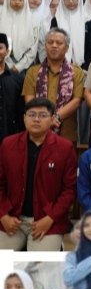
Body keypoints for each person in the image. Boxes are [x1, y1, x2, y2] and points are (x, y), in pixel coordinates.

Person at [0, 98, 77, 250]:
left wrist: (51, 218)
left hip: (47, 221)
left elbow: (70, 190)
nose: (36, 119)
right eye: (31, 115)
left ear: (52, 119)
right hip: (12, 219)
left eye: (42, 115)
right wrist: (3, 215)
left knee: (41, 263)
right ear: (24, 118)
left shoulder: (65, 148)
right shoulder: (8, 144)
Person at [21, 28, 84, 143]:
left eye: (59, 43)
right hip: (38, 131)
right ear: (45, 46)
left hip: (66, 133)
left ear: (66, 48)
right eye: (50, 42)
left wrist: (55, 118)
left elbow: (77, 101)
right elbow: (29, 101)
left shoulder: (76, 72)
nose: (54, 46)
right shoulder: (33, 72)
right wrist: (45, 119)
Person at [3, 0, 40, 72]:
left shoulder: (33, 22)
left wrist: (19, 66)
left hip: (26, 67)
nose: (17, 2)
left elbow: (33, 47)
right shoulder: (1, 19)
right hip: (2, 65)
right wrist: (8, 64)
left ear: (25, 1)